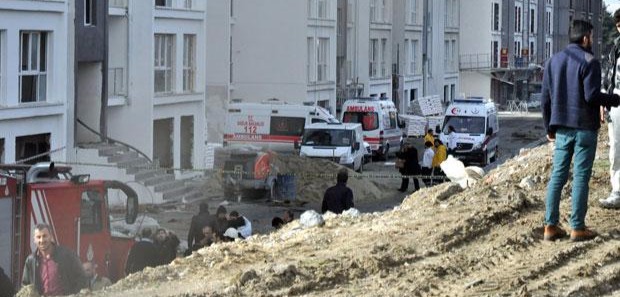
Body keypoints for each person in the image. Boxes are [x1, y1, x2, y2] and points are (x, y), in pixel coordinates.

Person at [542, 20, 620, 242]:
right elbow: (591, 96)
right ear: (585, 38)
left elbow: (545, 99)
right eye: (592, 37)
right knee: (580, 177)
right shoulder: (590, 61)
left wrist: (549, 127)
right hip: (584, 128)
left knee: (557, 175)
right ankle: (577, 227)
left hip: (562, 128)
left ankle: (550, 225)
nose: (592, 41)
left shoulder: (552, 61)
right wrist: (614, 99)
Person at [22, 224, 87, 296]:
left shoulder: (66, 255)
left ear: (51, 236)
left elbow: (81, 278)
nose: (42, 240)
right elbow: (25, 286)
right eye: (38, 237)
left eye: (44, 236)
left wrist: (74, 295)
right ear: (34, 240)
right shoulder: (31, 260)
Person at [600, 9, 620, 209]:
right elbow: (608, 75)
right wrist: (604, 100)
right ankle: (617, 190)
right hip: (617, 101)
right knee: (616, 147)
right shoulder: (616, 48)